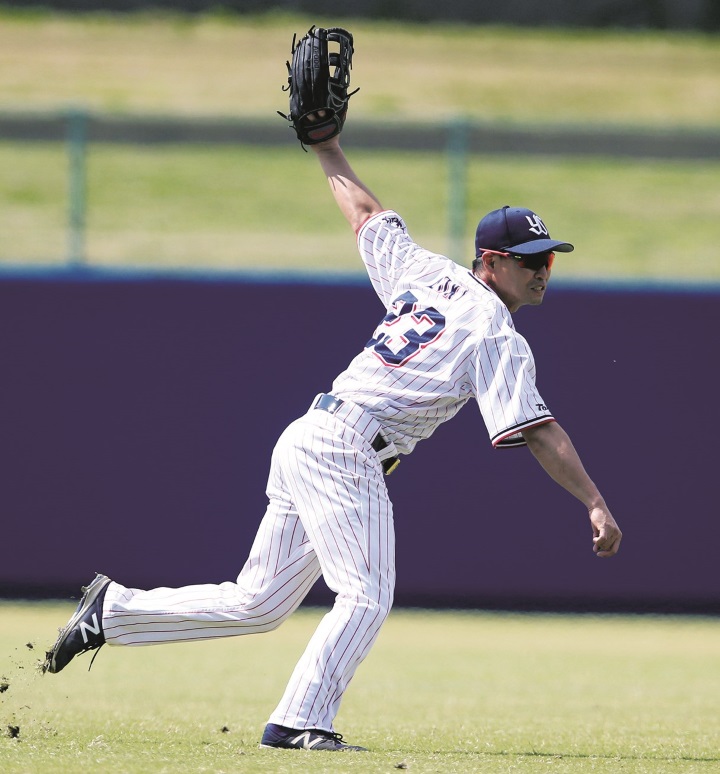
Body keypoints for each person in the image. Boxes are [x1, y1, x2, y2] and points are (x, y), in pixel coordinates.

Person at [44, 130, 622, 752]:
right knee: (367, 593)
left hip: (311, 435)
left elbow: (367, 217)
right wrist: (593, 501)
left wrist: (326, 146)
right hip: (348, 450)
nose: (544, 270)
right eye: (533, 259)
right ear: (493, 260)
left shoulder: (425, 272)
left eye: (550, 258)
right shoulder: (496, 334)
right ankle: (297, 723)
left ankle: (114, 612)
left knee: (258, 603)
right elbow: (537, 430)